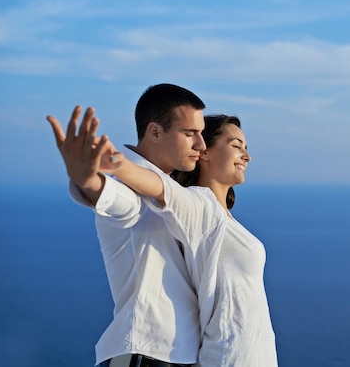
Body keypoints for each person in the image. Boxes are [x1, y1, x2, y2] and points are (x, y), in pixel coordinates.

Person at [97, 114, 278, 367]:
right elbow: (160, 187)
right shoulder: (200, 206)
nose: (246, 156)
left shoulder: (223, 219)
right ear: (204, 151)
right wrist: (117, 164)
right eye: (236, 146)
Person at [46, 83, 207, 367]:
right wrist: (88, 180)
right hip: (142, 356)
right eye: (190, 134)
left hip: (171, 357)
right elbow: (119, 201)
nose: (201, 145)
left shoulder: (175, 192)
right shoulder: (131, 188)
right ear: (155, 132)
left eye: (202, 134)